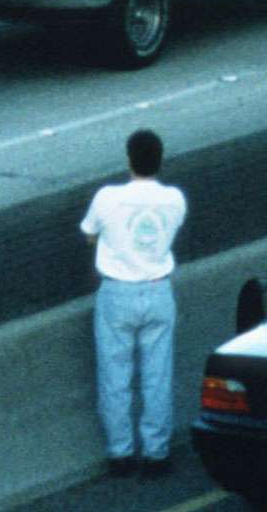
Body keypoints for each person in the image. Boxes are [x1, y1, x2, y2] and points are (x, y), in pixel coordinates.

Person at [80, 128, 187, 479]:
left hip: (117, 294)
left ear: (129, 160)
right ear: (160, 160)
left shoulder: (107, 198)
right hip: (158, 291)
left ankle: (120, 453)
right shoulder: (175, 200)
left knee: (115, 376)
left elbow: (89, 233)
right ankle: (156, 453)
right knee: (157, 376)